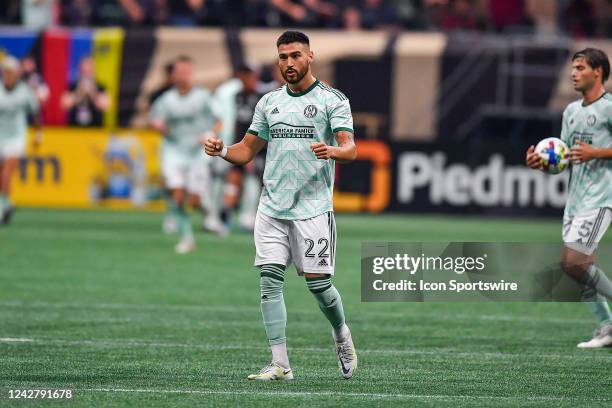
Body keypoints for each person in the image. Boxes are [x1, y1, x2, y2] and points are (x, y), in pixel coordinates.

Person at [205, 31, 358, 380]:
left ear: (310, 56)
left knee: (319, 286)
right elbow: (246, 150)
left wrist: (333, 151)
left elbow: (350, 148)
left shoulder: (332, 100)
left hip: (313, 208)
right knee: (269, 280)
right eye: (283, 57)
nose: (288, 63)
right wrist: (223, 150)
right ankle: (280, 364)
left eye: (295, 56)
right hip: (272, 207)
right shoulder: (269, 102)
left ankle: (341, 334)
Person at [526, 48, 612, 348]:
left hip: (601, 198)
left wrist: (596, 152)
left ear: (597, 71)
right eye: (573, 68)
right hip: (575, 200)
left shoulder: (609, 108)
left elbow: (589, 154)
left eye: (579, 68)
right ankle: (607, 328)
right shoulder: (572, 112)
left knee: (572, 263)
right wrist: (541, 164)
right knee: (582, 268)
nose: (573, 73)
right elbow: (564, 160)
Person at [150, 55, 222, 254]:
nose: (183, 76)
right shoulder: (166, 100)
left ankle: (208, 211)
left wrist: (210, 134)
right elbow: (154, 119)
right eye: (179, 72)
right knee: (178, 195)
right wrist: (158, 126)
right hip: (174, 150)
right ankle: (187, 238)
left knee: (194, 200)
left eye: (186, 71)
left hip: (197, 153)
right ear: (173, 75)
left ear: (192, 73)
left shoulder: (203, 96)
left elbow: (218, 120)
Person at [0, 56, 40, 225]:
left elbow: (35, 112)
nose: (7, 75)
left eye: (10, 72)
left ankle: (3, 205)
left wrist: (39, 132)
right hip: (1, 136)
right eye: (5, 72)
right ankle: (7, 203)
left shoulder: (25, 91)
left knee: (7, 171)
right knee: (2, 173)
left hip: (16, 137)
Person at [61, 56, 110, 127]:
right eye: (84, 72)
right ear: (80, 71)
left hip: (95, 129)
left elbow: (106, 106)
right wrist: (79, 92)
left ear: (94, 71)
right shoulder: (73, 87)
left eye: (89, 71)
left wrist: (93, 92)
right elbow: (64, 105)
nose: (87, 75)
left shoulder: (100, 87)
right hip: (74, 129)